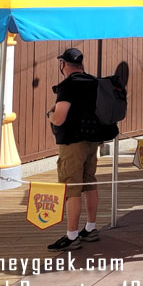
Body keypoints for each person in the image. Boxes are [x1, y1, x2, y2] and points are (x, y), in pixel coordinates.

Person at [46, 48, 112, 251]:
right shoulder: (94, 82)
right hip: (94, 139)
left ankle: (72, 235)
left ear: (64, 65)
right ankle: (90, 228)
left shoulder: (68, 85)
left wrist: (49, 115)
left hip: (73, 142)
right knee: (90, 181)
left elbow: (60, 116)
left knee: (71, 186)